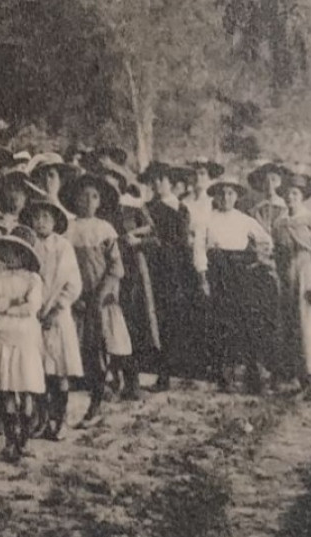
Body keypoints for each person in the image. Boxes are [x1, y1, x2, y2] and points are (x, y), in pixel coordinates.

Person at [196, 178, 277, 394]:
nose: (226, 198)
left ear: (236, 197)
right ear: (215, 197)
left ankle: (253, 374)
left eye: (231, 193)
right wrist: (203, 278)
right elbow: (199, 250)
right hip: (217, 272)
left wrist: (257, 257)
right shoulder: (206, 219)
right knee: (222, 321)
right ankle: (225, 375)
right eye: (222, 194)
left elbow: (266, 240)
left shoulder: (244, 219)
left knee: (246, 320)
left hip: (240, 273)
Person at [64, 173, 134, 424]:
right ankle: (73, 401)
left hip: (101, 297)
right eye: (83, 195)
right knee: (75, 348)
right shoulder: (68, 229)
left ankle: (97, 400)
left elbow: (116, 267)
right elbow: (64, 266)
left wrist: (101, 294)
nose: (88, 200)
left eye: (94, 196)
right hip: (76, 297)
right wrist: (74, 296)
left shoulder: (104, 229)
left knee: (101, 347)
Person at [0, 224, 47, 464]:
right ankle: (10, 442)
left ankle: (24, 441)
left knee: (26, 388)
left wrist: (6, 304)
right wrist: (14, 302)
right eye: (7, 251)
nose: (11, 256)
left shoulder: (33, 279)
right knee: (6, 389)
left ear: (25, 255)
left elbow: (32, 307)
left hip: (24, 338)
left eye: (17, 252)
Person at [271, 173, 311, 403]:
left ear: (302, 197)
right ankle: (303, 381)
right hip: (288, 276)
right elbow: (277, 254)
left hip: (308, 273)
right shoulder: (279, 223)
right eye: (287, 194)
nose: (291, 198)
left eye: (295, 194)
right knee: (292, 327)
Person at [139, 162, 203, 391]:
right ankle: (160, 372)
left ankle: (178, 371)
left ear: (170, 182)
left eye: (161, 180)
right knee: (157, 317)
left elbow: (183, 240)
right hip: (154, 268)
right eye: (153, 181)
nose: (157, 185)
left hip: (178, 267)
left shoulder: (181, 209)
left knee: (177, 316)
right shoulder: (146, 209)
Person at [23, 199, 82, 441]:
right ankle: (41, 418)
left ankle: (60, 420)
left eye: (46, 217)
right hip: (34, 316)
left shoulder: (63, 247)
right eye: (37, 217)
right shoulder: (29, 245)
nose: (41, 222)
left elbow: (72, 284)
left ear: (55, 220)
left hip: (57, 317)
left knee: (59, 370)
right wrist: (33, 309)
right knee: (39, 371)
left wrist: (55, 309)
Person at [109, 172, 159, 404]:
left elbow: (155, 236)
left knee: (132, 322)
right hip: (108, 271)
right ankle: (112, 378)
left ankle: (132, 380)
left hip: (133, 272)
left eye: (113, 186)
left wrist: (138, 240)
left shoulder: (133, 209)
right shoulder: (100, 214)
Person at [245, 162, 290, 234]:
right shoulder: (257, 207)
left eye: (273, 180)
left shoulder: (284, 206)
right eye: (266, 181)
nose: (270, 184)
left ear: (279, 182)